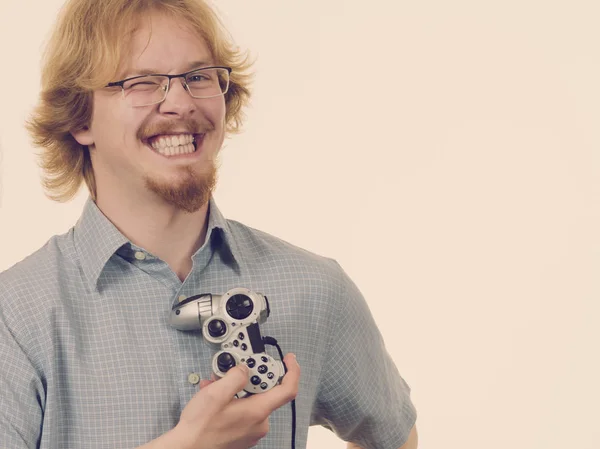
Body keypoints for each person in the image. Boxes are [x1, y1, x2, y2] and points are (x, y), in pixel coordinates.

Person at [0, 0, 418, 448]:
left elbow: (395, 437)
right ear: (80, 117)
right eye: (142, 82)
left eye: (198, 77)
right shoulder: (16, 317)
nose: (180, 103)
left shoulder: (316, 288)